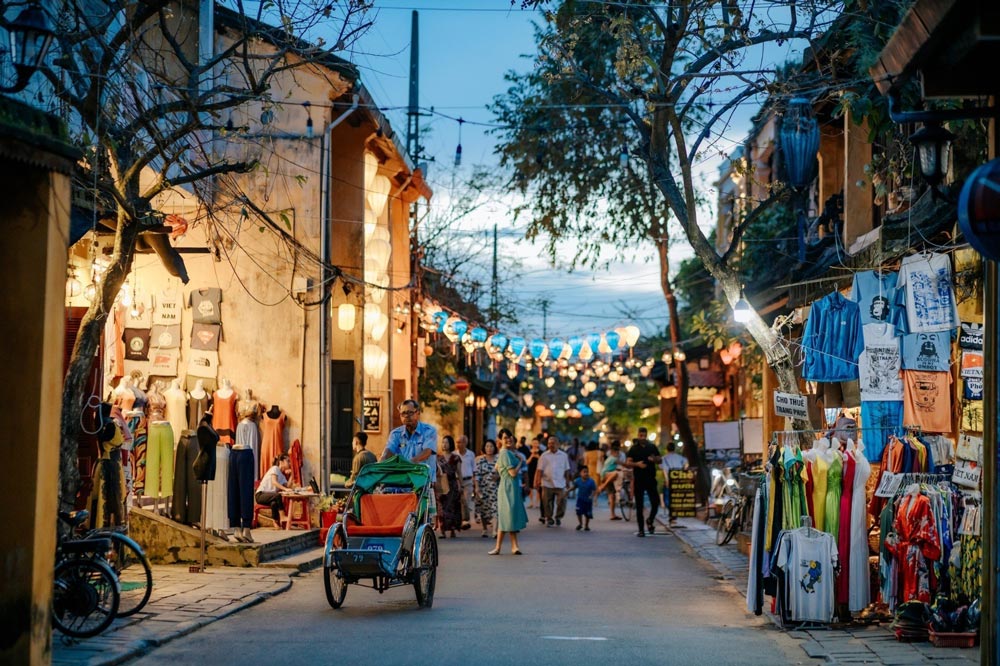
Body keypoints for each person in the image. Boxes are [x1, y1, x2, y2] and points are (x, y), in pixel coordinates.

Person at [382, 399, 438, 524]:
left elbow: (427, 452)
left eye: (410, 413)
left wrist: (408, 464)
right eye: (403, 414)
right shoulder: (396, 434)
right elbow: (388, 452)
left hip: (421, 483)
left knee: (422, 521)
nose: (407, 416)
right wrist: (380, 465)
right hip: (401, 482)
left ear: (417, 413)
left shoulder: (429, 431)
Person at [490, 428, 528, 555]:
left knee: (509, 517)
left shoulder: (507, 453)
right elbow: (512, 473)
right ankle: (504, 547)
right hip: (508, 487)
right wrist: (521, 462)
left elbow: (496, 468)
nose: (508, 439)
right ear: (500, 440)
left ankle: (509, 546)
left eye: (510, 437)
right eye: (505, 437)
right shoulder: (505, 453)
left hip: (510, 487)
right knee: (508, 516)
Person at [625, 427, 662, 537]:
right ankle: (641, 529)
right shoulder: (634, 448)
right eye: (640, 435)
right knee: (639, 505)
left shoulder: (652, 447)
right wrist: (637, 465)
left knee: (655, 503)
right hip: (639, 479)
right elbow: (628, 463)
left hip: (651, 478)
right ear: (638, 435)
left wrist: (654, 459)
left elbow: (660, 460)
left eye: (644, 435)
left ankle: (650, 520)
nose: (642, 437)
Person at [535, 435, 571, 526]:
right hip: (547, 483)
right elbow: (539, 469)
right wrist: (537, 480)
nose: (551, 445)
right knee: (547, 503)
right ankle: (549, 518)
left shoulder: (563, 456)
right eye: (549, 443)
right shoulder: (544, 455)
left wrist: (567, 481)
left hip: (560, 483)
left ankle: (558, 517)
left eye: (553, 443)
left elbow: (567, 469)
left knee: (562, 502)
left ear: (558, 444)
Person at [436, 435, 463, 538]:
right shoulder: (438, 458)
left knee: (453, 507)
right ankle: (442, 530)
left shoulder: (456, 458)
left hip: (452, 485)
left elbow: (459, 472)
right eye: (443, 442)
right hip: (442, 485)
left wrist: (462, 485)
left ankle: (452, 529)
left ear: (451, 444)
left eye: (447, 442)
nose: (444, 444)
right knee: (441, 507)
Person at [255, 454, 292, 527]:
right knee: (278, 496)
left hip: (271, 497)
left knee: (274, 503)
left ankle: (275, 522)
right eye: (288, 461)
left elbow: (287, 486)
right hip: (260, 495)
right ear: (281, 462)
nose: (289, 463)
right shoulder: (275, 468)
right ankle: (282, 516)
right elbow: (274, 482)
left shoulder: (282, 476)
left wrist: (292, 474)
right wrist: (285, 489)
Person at [474, 439, 499, 538]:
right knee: (483, 509)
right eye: (487, 446)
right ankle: (484, 529)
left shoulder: (498, 459)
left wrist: (498, 476)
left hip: (495, 487)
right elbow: (476, 475)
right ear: (484, 448)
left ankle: (494, 531)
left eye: (491, 446)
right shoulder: (480, 460)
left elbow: (502, 472)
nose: (489, 448)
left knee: (495, 508)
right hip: (483, 487)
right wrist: (476, 487)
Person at [660, 440, 689, 527]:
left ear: (667, 449)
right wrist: (683, 471)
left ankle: (672, 514)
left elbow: (664, 470)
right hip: (678, 479)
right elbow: (687, 464)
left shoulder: (664, 458)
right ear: (674, 449)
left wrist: (667, 480)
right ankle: (673, 514)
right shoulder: (680, 457)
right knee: (676, 497)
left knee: (668, 498)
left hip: (669, 479)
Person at [596, 440, 623, 519]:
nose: (618, 454)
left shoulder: (610, 456)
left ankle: (612, 514)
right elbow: (624, 464)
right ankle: (603, 486)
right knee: (615, 474)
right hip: (607, 475)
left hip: (608, 475)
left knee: (612, 495)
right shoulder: (613, 458)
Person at [456, 435, 476, 530]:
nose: (458, 444)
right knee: (458, 502)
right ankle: (460, 521)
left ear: (465, 443)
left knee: (466, 501)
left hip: (468, 480)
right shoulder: (454, 455)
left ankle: (465, 520)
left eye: (460, 442)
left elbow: (474, 469)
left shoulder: (471, 454)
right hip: (456, 481)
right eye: (457, 442)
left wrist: (475, 482)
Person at [574, 466, 597, 531]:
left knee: (587, 514)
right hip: (580, 499)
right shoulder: (578, 480)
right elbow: (574, 487)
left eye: (587, 472)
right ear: (580, 473)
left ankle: (586, 525)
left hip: (588, 501)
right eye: (584, 472)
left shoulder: (591, 481)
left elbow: (594, 490)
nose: (586, 473)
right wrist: (567, 491)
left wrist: (592, 496)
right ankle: (580, 524)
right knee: (578, 512)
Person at [525, 437, 542, 509]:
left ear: (539, 444)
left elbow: (543, 461)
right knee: (530, 486)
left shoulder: (541, 452)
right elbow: (526, 462)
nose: (535, 444)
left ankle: (538, 502)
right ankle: (531, 501)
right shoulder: (528, 452)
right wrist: (532, 456)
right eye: (534, 443)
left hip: (538, 470)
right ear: (532, 443)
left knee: (538, 486)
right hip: (530, 470)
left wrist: (538, 456)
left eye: (536, 443)